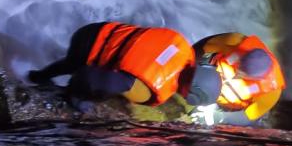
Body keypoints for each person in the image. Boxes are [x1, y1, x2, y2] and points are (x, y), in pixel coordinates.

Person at [28, 22, 221, 109]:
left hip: (94, 31)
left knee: (68, 64)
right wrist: (77, 98)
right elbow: (90, 77)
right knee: (79, 76)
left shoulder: (181, 46)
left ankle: (38, 75)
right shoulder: (149, 90)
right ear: (191, 97)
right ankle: (43, 82)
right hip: (89, 55)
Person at [192, 32, 286, 125]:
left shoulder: (272, 92)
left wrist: (220, 117)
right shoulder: (233, 42)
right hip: (209, 79)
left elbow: (248, 117)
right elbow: (202, 47)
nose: (238, 72)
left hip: (229, 109)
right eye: (240, 66)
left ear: (257, 78)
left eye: (243, 73)